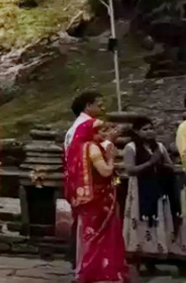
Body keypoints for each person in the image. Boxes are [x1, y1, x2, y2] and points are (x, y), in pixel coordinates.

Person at [67, 118, 129, 282]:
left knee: (89, 234)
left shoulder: (80, 147)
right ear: (90, 133)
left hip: (88, 197)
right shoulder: (93, 148)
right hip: (99, 198)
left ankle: (89, 269)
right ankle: (100, 270)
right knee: (99, 234)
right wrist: (110, 158)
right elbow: (106, 172)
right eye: (100, 131)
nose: (104, 134)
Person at [122, 119, 186, 275]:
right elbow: (130, 170)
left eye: (151, 128)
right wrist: (150, 163)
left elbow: (170, 165)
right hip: (139, 190)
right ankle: (138, 263)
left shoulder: (160, 147)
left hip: (158, 189)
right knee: (141, 224)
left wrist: (162, 165)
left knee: (158, 224)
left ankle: (152, 262)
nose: (149, 132)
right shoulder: (130, 148)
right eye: (145, 129)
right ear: (137, 132)